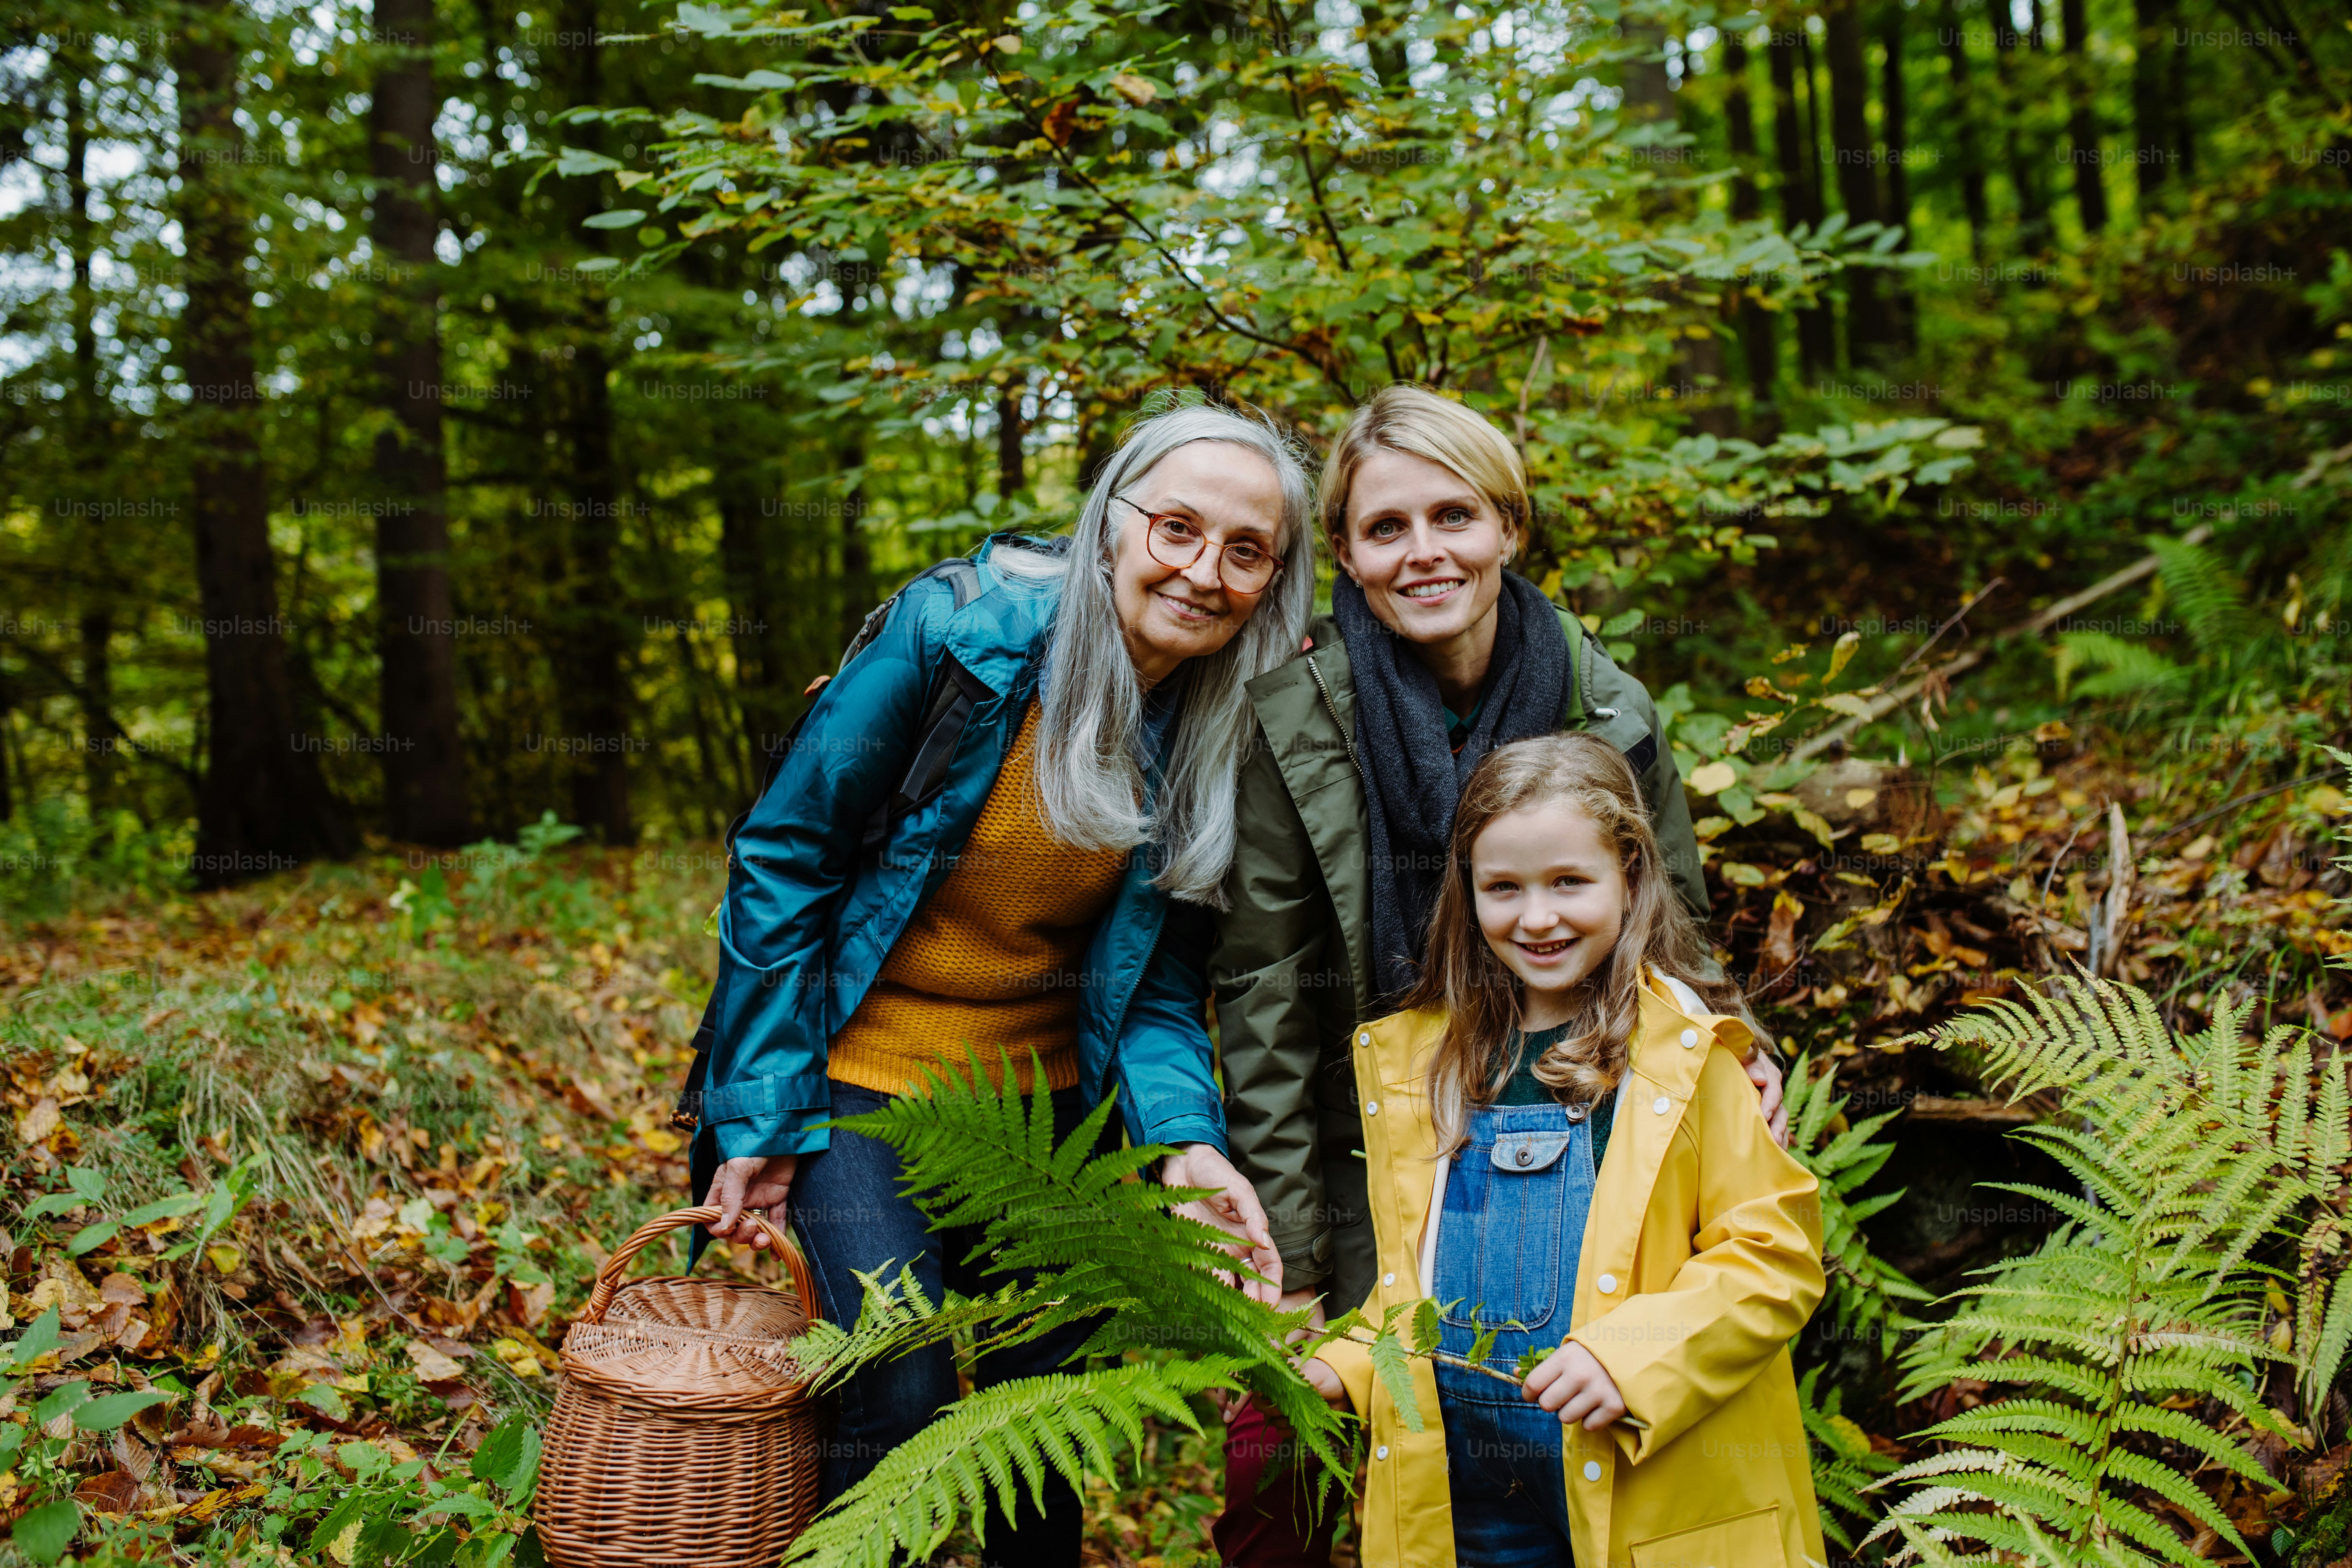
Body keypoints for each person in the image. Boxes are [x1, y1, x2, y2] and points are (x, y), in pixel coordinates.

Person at [690, 401, 1315, 1565]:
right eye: (1176, 529)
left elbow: (1162, 987)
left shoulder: (1224, 726)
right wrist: (761, 1111)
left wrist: (1185, 1140)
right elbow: (789, 851)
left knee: (1046, 1417)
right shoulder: (961, 636)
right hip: (858, 1079)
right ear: (1112, 524)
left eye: (1245, 552)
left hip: (1048, 1109)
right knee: (900, 1379)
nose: (1201, 573)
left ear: (1274, 580)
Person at [1207, 384, 1786, 1564]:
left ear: (1508, 525)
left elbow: (1673, 918)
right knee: (1313, 1450)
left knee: (1548, 1427)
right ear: (1351, 558)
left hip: (1577, 1108)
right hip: (1364, 1130)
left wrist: (1734, 1046)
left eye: (1453, 516)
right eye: (1386, 528)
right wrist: (1300, 1265)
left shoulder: (1605, 703)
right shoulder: (1296, 715)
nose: (1425, 552)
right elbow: (1266, 996)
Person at [1301, 732, 1827, 1567]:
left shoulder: (1688, 1058)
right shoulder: (1423, 1067)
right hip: (1468, 1500)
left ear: (1631, 875)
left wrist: (1631, 1355)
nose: (1537, 917)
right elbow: (1417, 1290)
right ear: (1466, 892)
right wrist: (1352, 1364)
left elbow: (1774, 1254)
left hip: (1638, 1486)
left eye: (1569, 882)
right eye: (1503, 887)